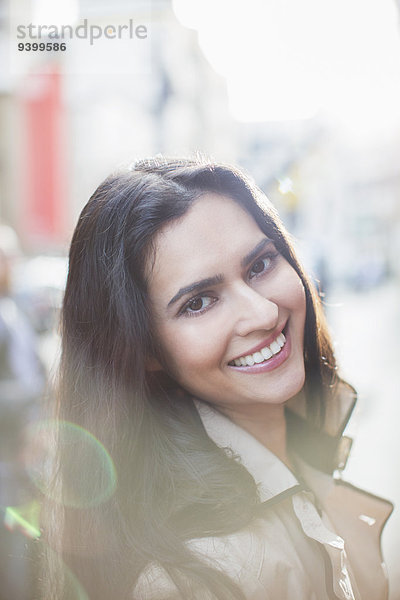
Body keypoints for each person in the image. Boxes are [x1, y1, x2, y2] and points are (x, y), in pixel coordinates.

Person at [43, 157, 393, 600]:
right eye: (199, 302)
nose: (264, 313)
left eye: (261, 265)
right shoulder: (197, 575)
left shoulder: (297, 457)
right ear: (145, 351)